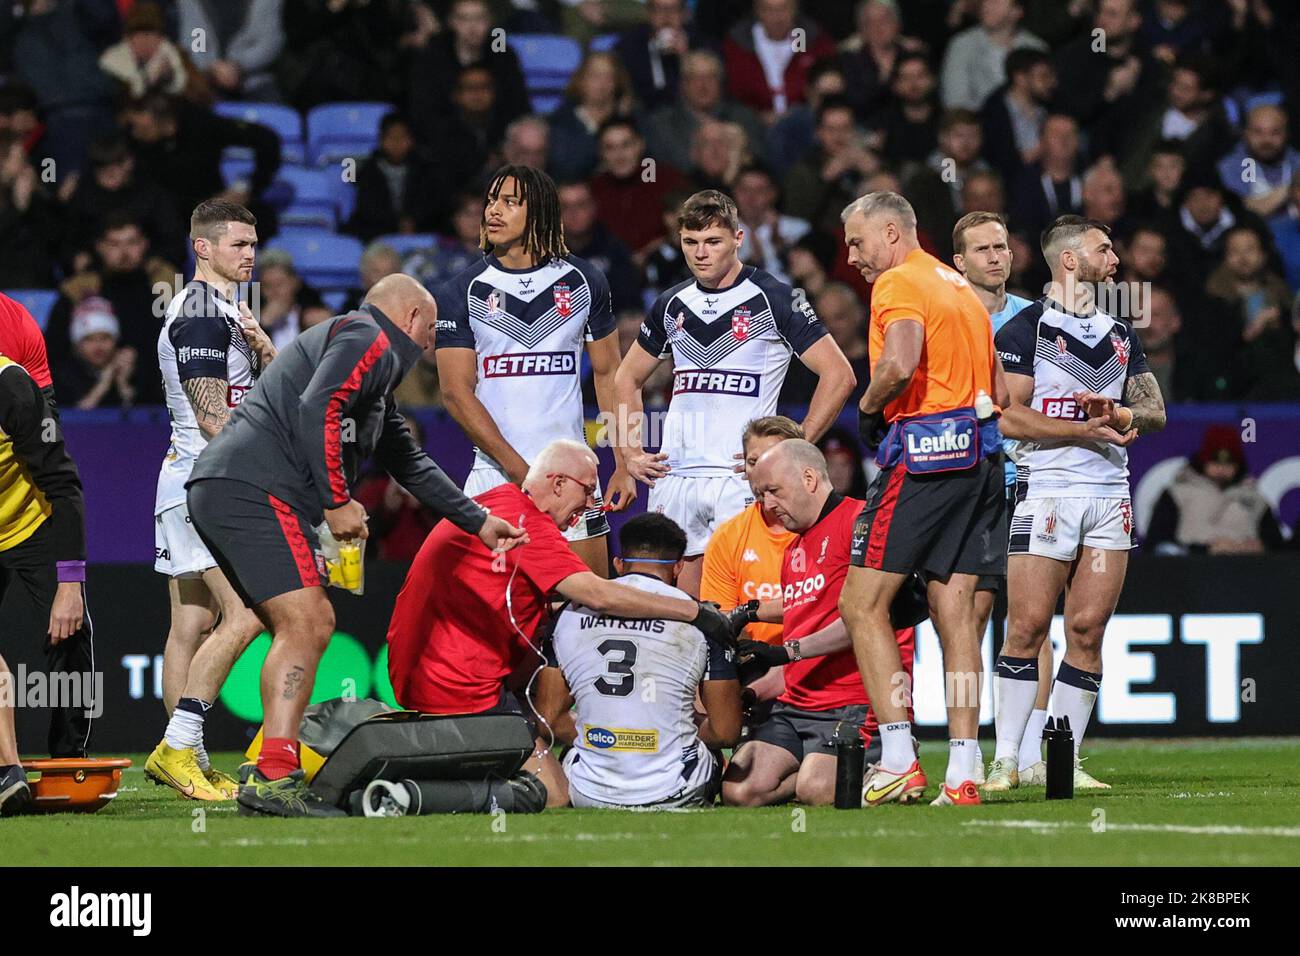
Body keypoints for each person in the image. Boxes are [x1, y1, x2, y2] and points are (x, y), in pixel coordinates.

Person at [187, 273, 527, 817]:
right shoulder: (368, 335)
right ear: (411, 317)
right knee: (309, 620)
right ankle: (274, 775)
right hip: (251, 488)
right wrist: (337, 500)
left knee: (297, 623)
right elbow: (319, 405)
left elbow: (410, 463)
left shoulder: (374, 381)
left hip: (230, 487)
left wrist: (479, 521)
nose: (431, 345)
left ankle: (269, 767)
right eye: (431, 331)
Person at [386, 439, 740, 808]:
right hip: (458, 685)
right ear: (557, 483)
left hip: (423, 670)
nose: (590, 504)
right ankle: (413, 795)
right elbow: (598, 594)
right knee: (553, 795)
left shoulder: (501, 502)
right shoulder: (529, 524)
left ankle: (436, 766)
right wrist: (694, 612)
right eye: (587, 490)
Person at [837, 191, 1009, 807]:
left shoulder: (899, 282)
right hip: (983, 459)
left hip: (927, 456)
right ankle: (963, 771)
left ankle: (899, 759)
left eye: (857, 242)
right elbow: (998, 394)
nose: (852, 257)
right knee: (955, 613)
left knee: (860, 603)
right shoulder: (959, 287)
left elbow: (901, 362)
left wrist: (868, 406)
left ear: (891, 232)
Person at [988, 214, 1166, 792]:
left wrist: (1120, 414)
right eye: (1103, 250)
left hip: (1110, 493)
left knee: (1088, 630)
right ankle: (1006, 760)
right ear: (1069, 260)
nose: (1114, 260)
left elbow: (1155, 412)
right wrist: (1082, 430)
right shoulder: (1025, 331)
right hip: (1047, 490)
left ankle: (1061, 760)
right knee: (1027, 626)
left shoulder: (1120, 333)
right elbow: (1008, 417)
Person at [614, 189, 856, 597]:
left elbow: (839, 374)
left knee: (750, 607)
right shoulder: (672, 303)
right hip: (676, 476)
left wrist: (789, 452)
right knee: (677, 607)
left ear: (738, 238)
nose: (700, 253)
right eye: (690, 242)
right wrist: (629, 452)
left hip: (740, 477)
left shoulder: (774, 297)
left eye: (713, 241)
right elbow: (626, 379)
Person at [436, 165, 633, 577]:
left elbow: (609, 375)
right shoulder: (461, 290)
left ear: (540, 210)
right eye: (492, 200)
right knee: (490, 611)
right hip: (495, 476)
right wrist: (522, 473)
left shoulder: (585, 280)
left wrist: (623, 460)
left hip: (573, 478)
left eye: (510, 202)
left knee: (587, 608)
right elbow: (455, 393)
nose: (493, 210)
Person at [144, 200, 277, 802]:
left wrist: (266, 352)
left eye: (253, 243)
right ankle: (180, 748)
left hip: (189, 482)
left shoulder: (227, 311)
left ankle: (187, 760)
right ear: (203, 248)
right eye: (238, 244)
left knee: (191, 624)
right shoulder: (199, 312)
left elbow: (255, 398)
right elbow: (212, 417)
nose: (251, 254)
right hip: (209, 485)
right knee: (245, 615)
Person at [721, 440, 917, 806]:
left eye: (773, 491)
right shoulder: (794, 549)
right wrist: (749, 694)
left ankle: (894, 754)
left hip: (857, 704)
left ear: (809, 478)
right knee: (739, 790)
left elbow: (866, 620)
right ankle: (833, 769)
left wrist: (785, 650)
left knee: (817, 788)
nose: (767, 505)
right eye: (761, 495)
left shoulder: (861, 524)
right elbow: (795, 662)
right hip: (795, 707)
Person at [536, 512, 743, 809]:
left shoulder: (569, 613)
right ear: (679, 567)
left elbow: (549, 719)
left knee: (574, 749)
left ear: (619, 564)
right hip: (674, 791)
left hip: (589, 794)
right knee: (711, 752)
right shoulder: (701, 619)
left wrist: (607, 734)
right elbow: (726, 732)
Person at [951, 209, 1054, 781]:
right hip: (966, 481)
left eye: (1002, 247)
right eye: (982, 249)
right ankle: (968, 750)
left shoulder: (1038, 320)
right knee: (969, 616)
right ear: (959, 261)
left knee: (1033, 619)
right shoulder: (943, 316)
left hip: (1028, 480)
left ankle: (1029, 754)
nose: (996, 257)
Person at [0, 350, 91, 814]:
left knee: (69, 633)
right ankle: (8, 770)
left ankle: (68, 762)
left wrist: (70, 585)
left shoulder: (11, 387)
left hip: (29, 522)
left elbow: (62, 482)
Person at [1146, 425, 1286, 555]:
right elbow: (1158, 545)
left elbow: (1279, 549)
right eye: (1215, 460)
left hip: (1247, 569)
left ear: (1238, 464)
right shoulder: (1177, 494)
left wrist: (1261, 548)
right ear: (1203, 460)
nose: (1221, 468)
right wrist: (1206, 550)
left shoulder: (1255, 498)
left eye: (1229, 462)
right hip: (1191, 569)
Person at [53, 297, 138, 410]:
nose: (98, 346)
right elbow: (73, 417)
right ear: (77, 346)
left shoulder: (132, 369)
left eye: (105, 338)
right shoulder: (64, 375)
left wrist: (123, 383)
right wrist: (104, 383)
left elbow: (144, 415)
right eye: (89, 339)